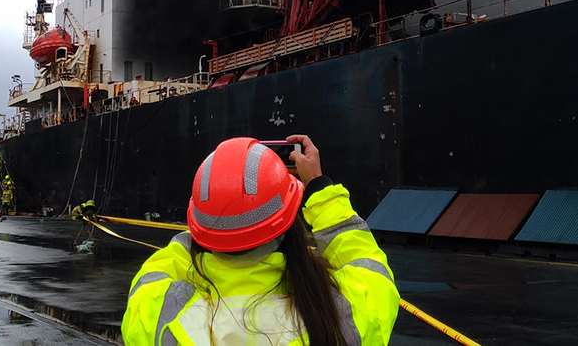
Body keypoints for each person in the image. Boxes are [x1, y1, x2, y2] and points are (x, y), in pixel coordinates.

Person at [122, 135, 399, 345]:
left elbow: (156, 271)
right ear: (287, 223)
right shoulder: (337, 315)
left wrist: (210, 217)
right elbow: (369, 268)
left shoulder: (162, 316)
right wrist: (319, 188)